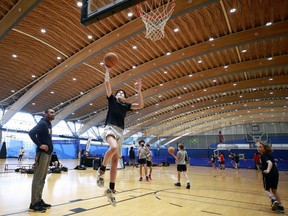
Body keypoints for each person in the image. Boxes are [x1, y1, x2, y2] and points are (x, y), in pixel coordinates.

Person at [96, 66, 144, 206]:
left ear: (125, 97)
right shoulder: (111, 100)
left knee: (116, 161)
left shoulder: (126, 106)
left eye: (123, 93)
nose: (121, 94)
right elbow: (107, 84)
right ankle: (102, 169)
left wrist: (139, 91)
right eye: (119, 93)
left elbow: (140, 105)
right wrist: (107, 70)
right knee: (114, 147)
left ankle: (111, 188)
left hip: (120, 132)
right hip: (110, 128)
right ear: (116, 95)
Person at [28, 109, 55, 212]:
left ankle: (38, 200)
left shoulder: (48, 124)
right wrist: (40, 145)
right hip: (42, 154)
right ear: (46, 114)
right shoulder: (43, 123)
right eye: (51, 112)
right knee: (38, 178)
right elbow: (31, 133)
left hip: (48, 154)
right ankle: (33, 204)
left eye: (54, 113)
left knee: (42, 179)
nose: (53, 114)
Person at [257, 141, 285, 213]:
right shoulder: (269, 154)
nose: (258, 148)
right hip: (275, 173)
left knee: (266, 190)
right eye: (258, 147)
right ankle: (280, 207)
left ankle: (273, 200)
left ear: (265, 149)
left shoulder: (263, 155)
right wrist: (258, 142)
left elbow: (270, 163)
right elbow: (274, 163)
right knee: (274, 190)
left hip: (268, 174)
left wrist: (268, 170)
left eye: (260, 147)